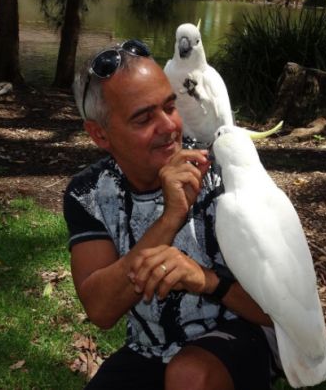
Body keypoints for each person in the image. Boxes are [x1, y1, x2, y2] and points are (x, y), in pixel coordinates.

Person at [64, 39, 281, 390]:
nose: (169, 127)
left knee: (189, 376)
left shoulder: (224, 176)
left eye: (170, 106)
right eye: (144, 117)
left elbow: (276, 313)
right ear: (100, 134)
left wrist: (208, 280)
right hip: (151, 348)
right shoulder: (90, 193)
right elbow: (101, 309)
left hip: (242, 334)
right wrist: (170, 218)